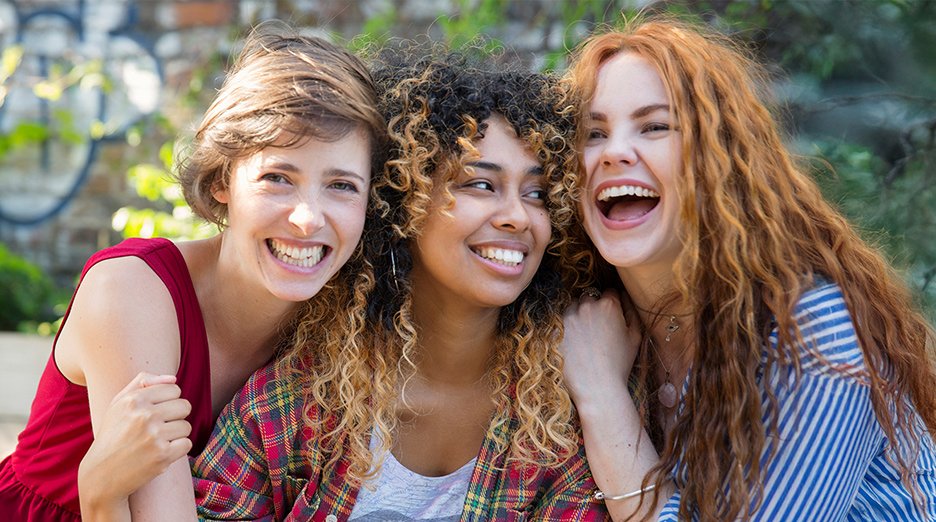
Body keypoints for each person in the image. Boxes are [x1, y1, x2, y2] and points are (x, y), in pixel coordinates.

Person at [191, 44, 609, 521]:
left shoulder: (561, 416)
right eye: (480, 184)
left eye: (536, 193)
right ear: (402, 200)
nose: (517, 216)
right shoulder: (290, 409)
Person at [0, 23, 386, 521]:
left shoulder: (345, 321)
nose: (308, 217)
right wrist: (99, 494)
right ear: (223, 178)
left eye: (342, 186)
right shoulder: (133, 289)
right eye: (277, 178)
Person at [558, 15, 936, 521]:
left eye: (655, 127)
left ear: (720, 158)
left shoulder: (814, 332)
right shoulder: (586, 320)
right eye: (592, 133)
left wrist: (602, 395)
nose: (614, 153)